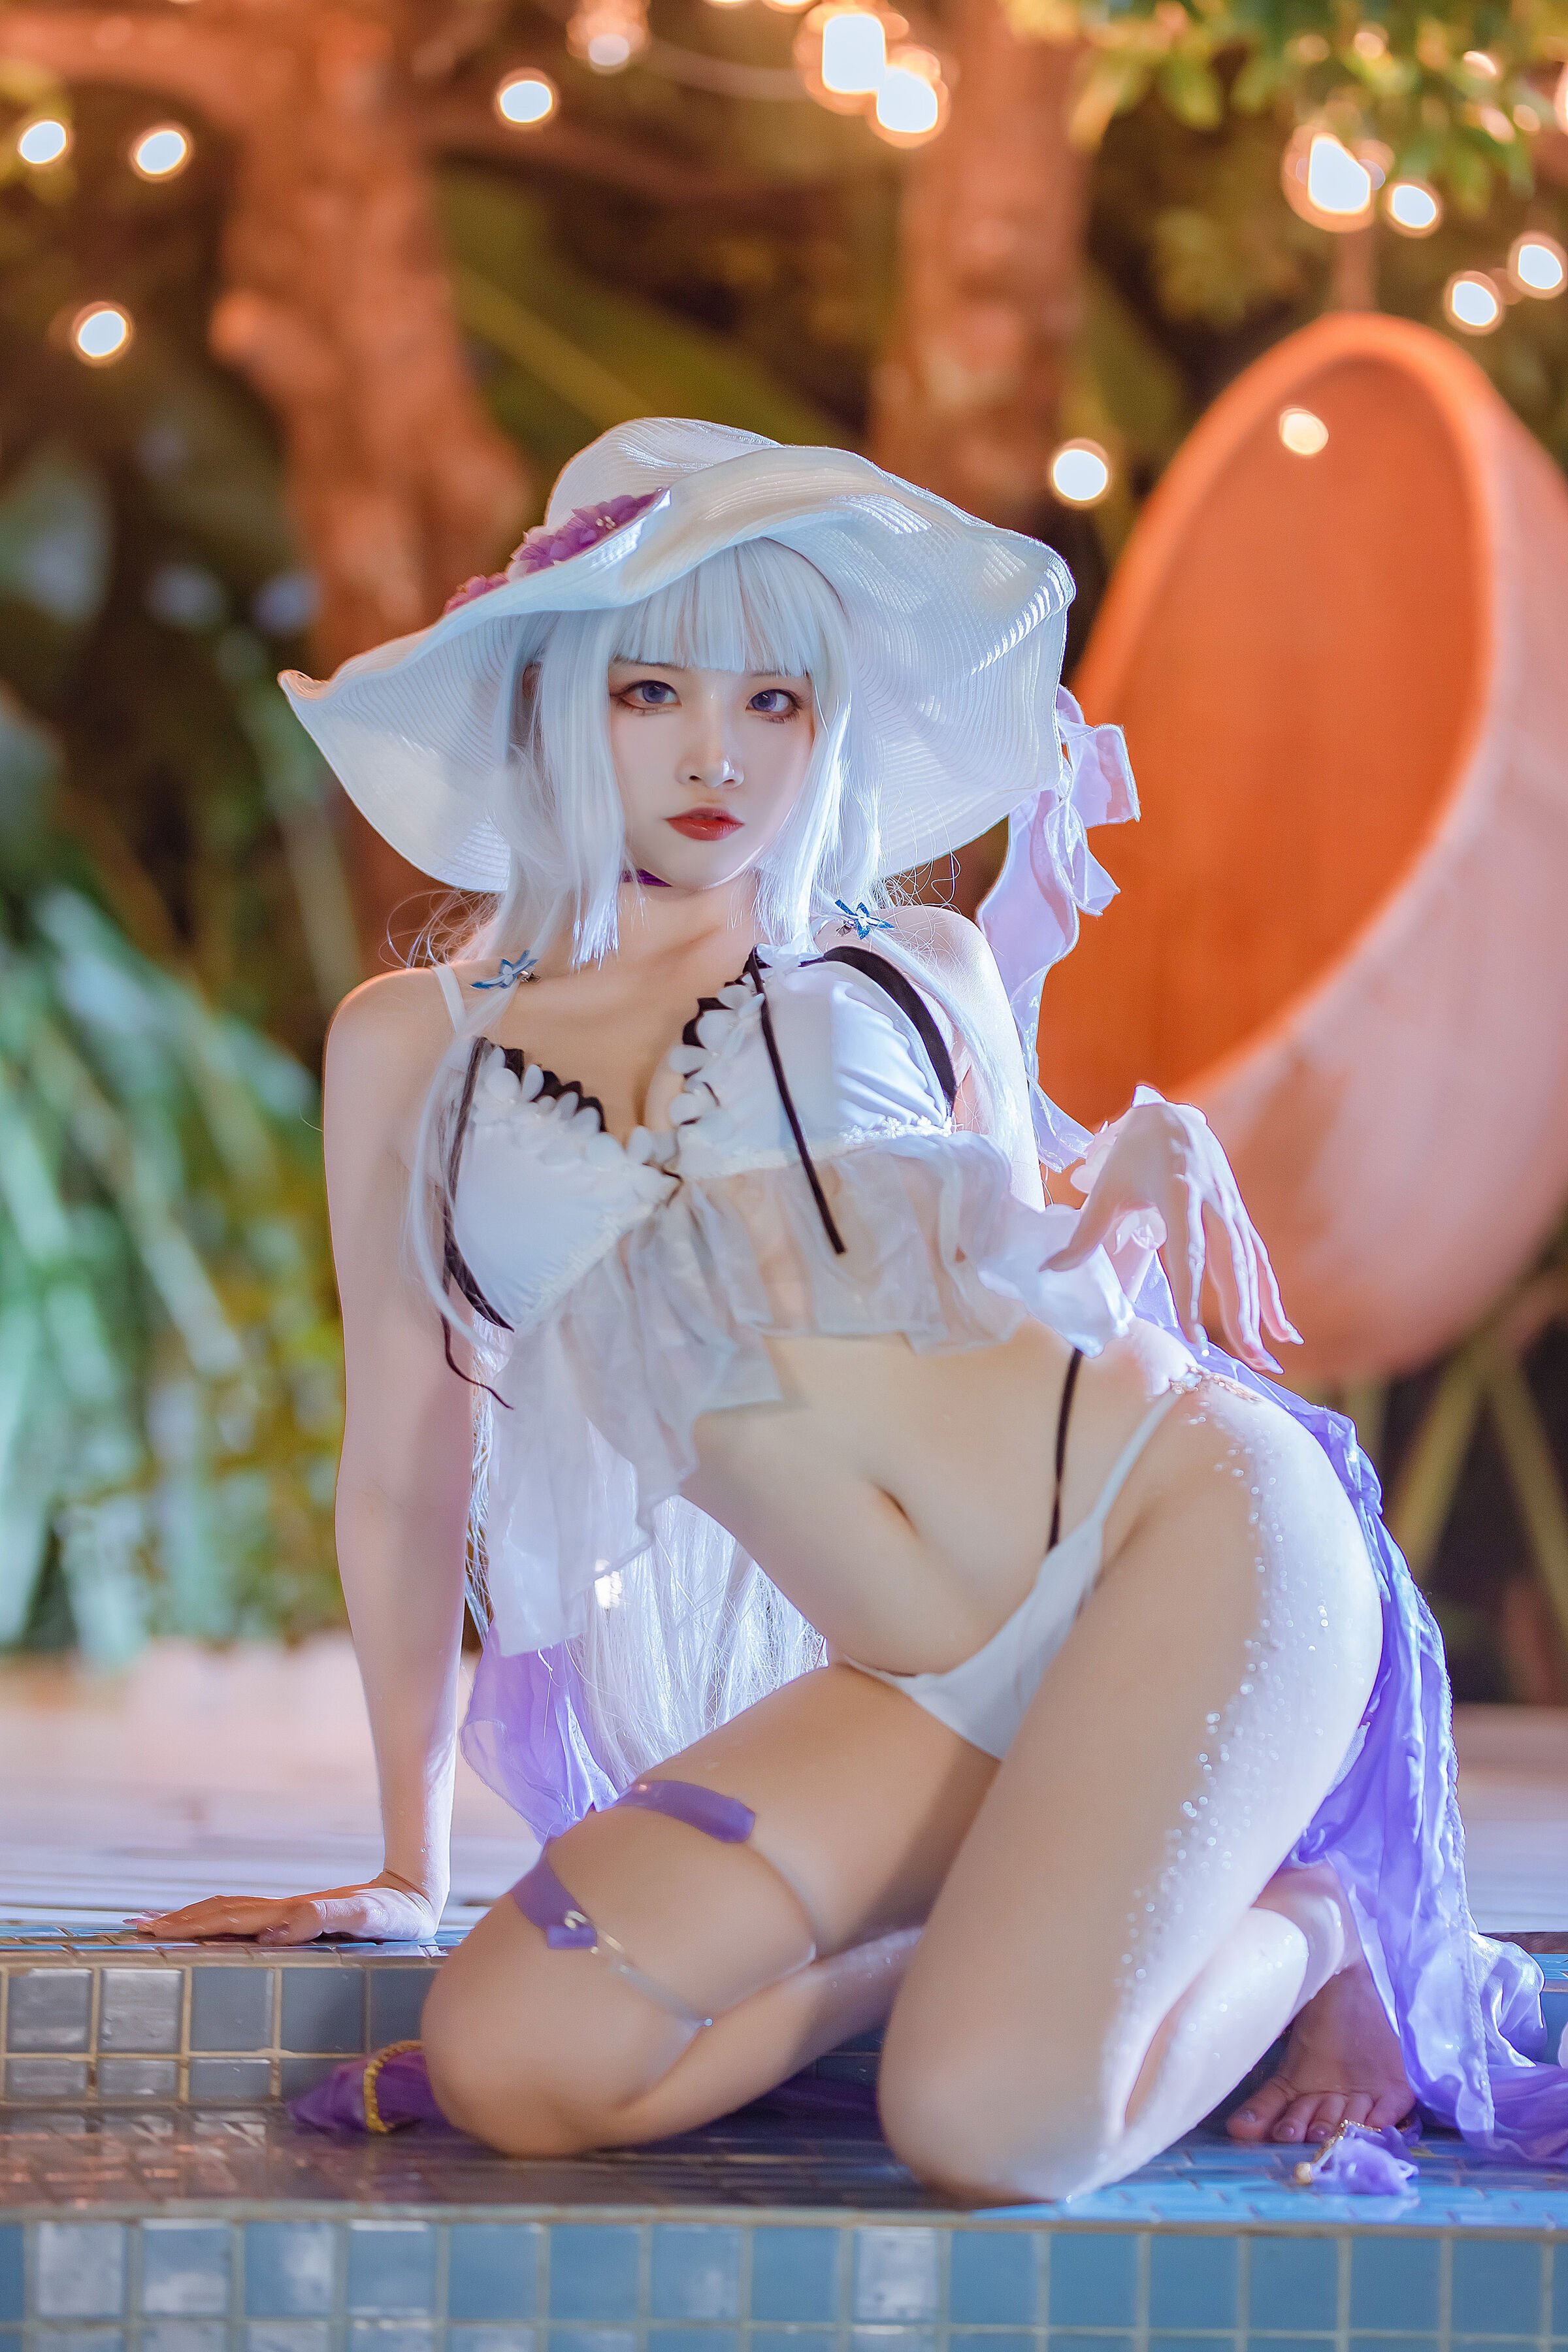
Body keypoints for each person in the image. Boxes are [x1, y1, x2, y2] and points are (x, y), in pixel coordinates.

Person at [137, 421, 1566, 2198]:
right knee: (515, 2056)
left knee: (989, 2127)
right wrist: (405, 1865)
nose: (717, 754)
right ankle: (967, 1945)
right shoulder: (409, 1051)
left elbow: (1031, 1283)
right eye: (652, 693)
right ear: (555, 702)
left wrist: (1125, 1186)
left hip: (1173, 1542)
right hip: (914, 1691)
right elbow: (405, 1473)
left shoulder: (909, 970)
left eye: (777, 702)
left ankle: (1314, 1918)